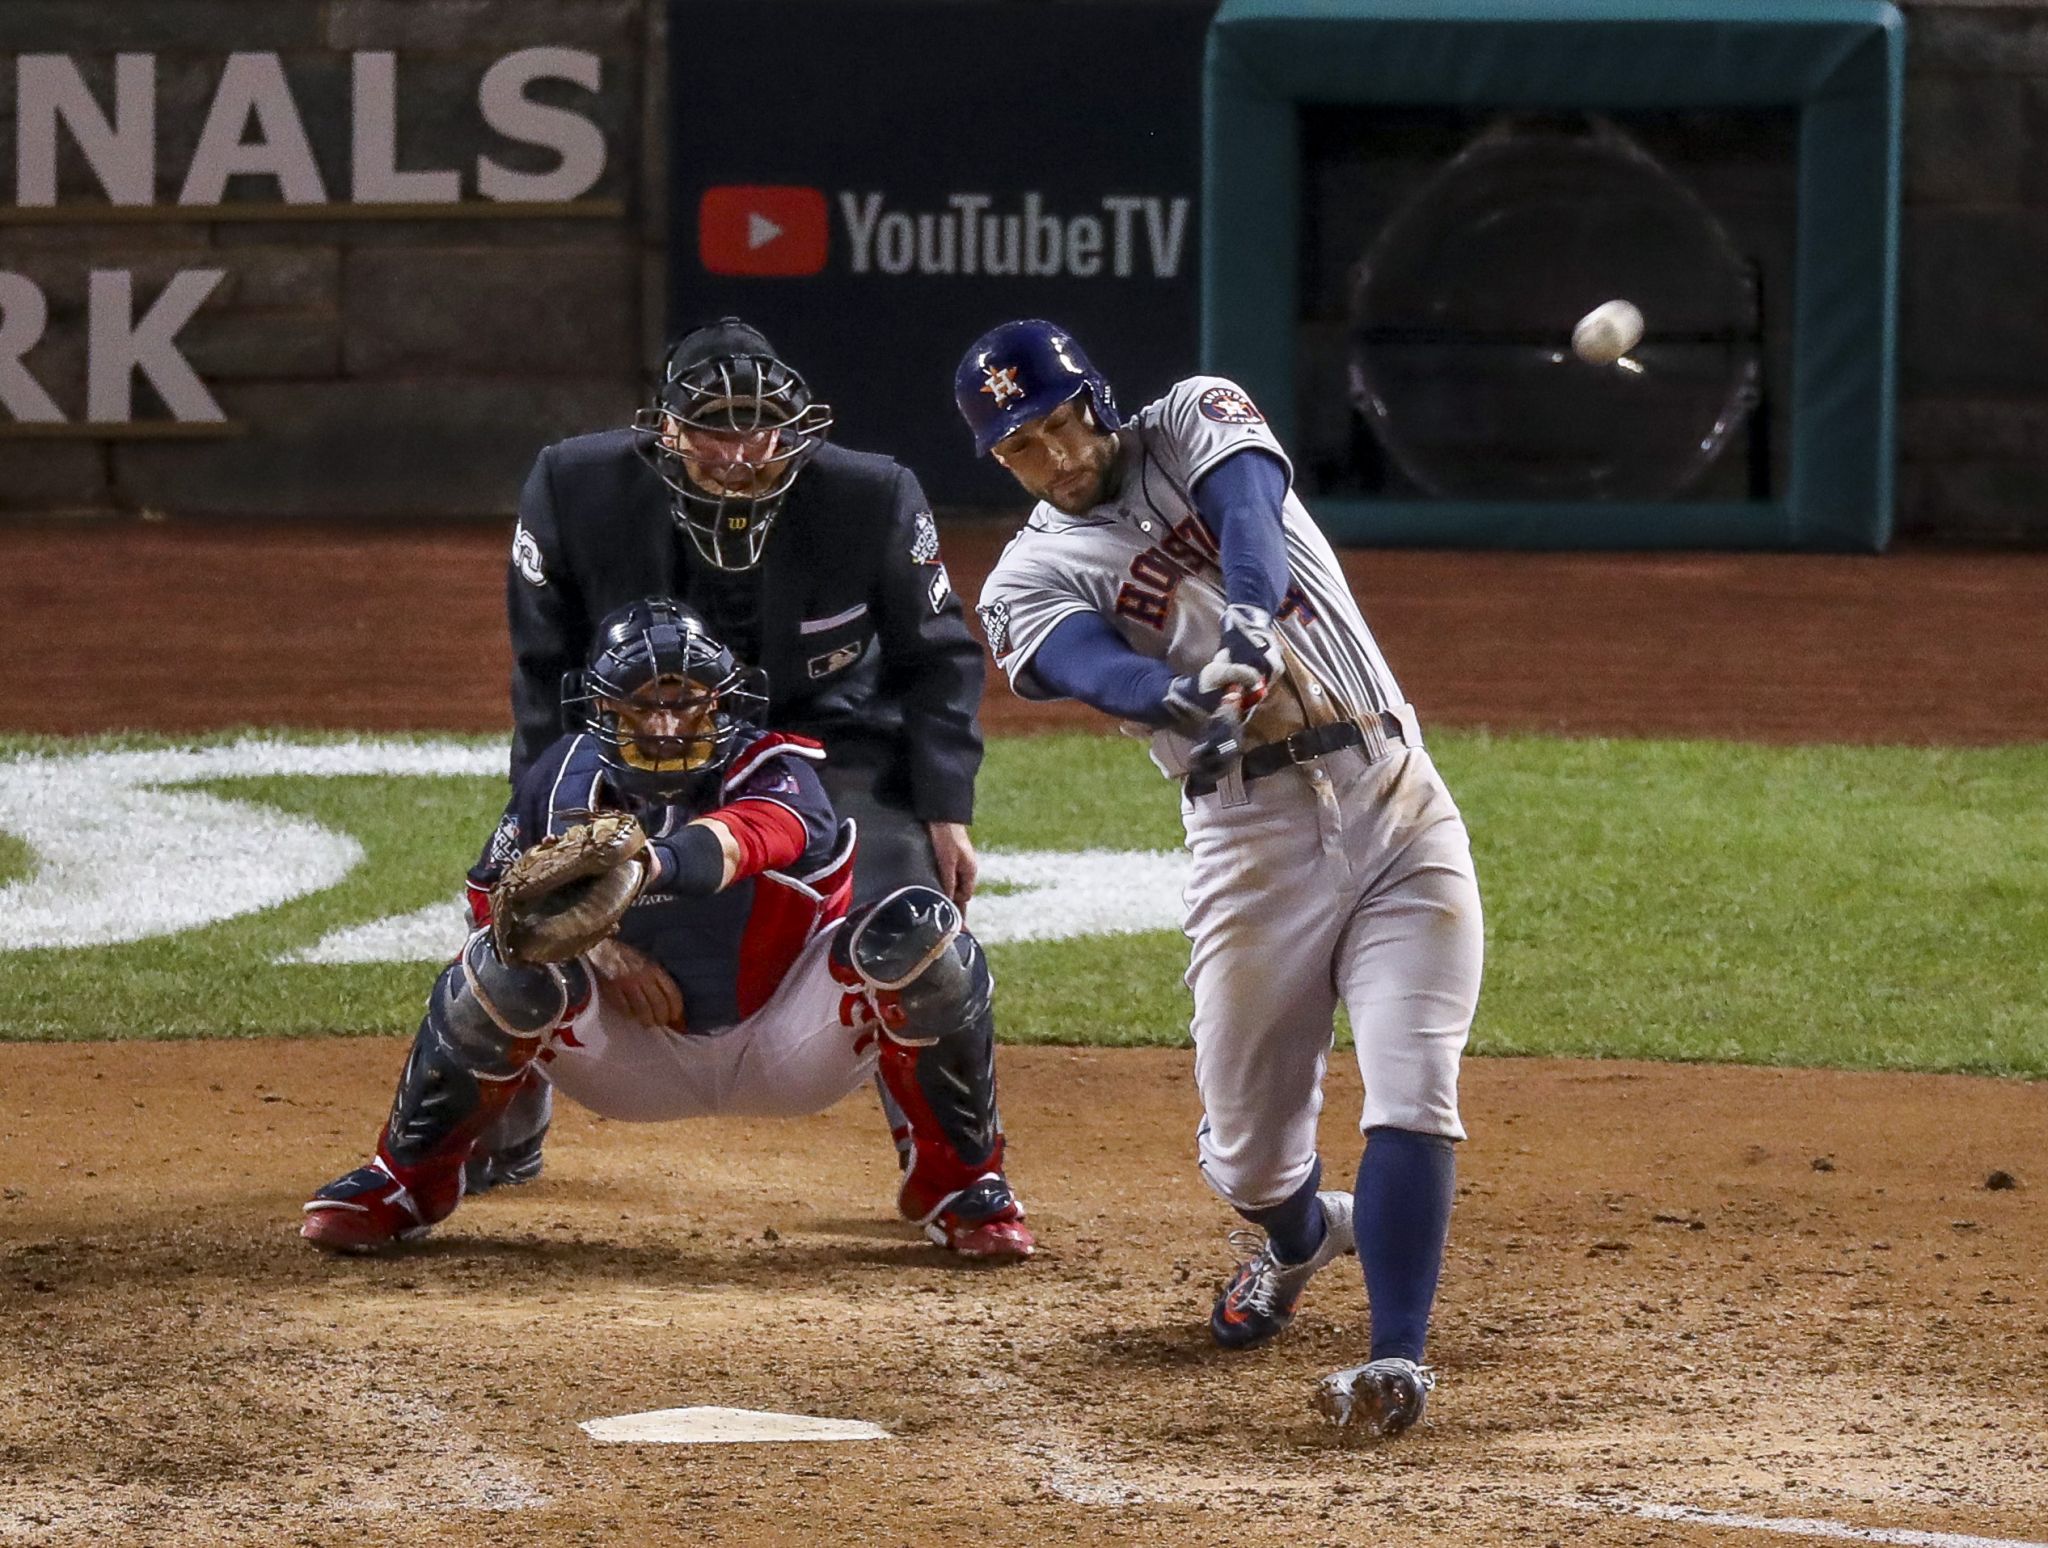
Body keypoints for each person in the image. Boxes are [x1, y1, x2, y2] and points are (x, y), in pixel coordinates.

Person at [954, 321, 1483, 1433]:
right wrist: (1177, 696)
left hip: (1393, 796)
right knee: (1246, 1155)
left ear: (1097, 400)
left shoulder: (1196, 410)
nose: (1053, 458)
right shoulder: (1024, 576)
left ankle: (1397, 1360)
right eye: (1020, 450)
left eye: (1058, 426)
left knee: (1412, 1083)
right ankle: (1297, 1236)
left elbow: (1249, 515)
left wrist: (1248, 616)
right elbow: (1078, 663)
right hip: (1251, 843)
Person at [298, 599, 1031, 1260]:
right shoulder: (560, 779)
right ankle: (405, 1183)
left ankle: (960, 1186)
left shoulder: (775, 765)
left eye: (689, 705)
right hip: (629, 1055)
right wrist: (602, 948)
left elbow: (753, 837)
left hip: (789, 1041)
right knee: (496, 965)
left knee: (922, 935)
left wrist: (647, 868)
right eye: (643, 706)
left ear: (725, 707)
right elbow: (493, 898)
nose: (668, 726)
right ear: (604, 711)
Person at [491, 316, 989, 1194]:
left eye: (757, 426)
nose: (738, 452)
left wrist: (945, 809)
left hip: (829, 739)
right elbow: (544, 677)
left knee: (911, 912)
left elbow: (938, 656)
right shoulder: (574, 487)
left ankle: (949, 1162)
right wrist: (543, 817)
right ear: (665, 430)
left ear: (794, 426)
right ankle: (500, 1127)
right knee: (525, 899)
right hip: (636, 739)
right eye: (713, 427)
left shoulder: (871, 497)